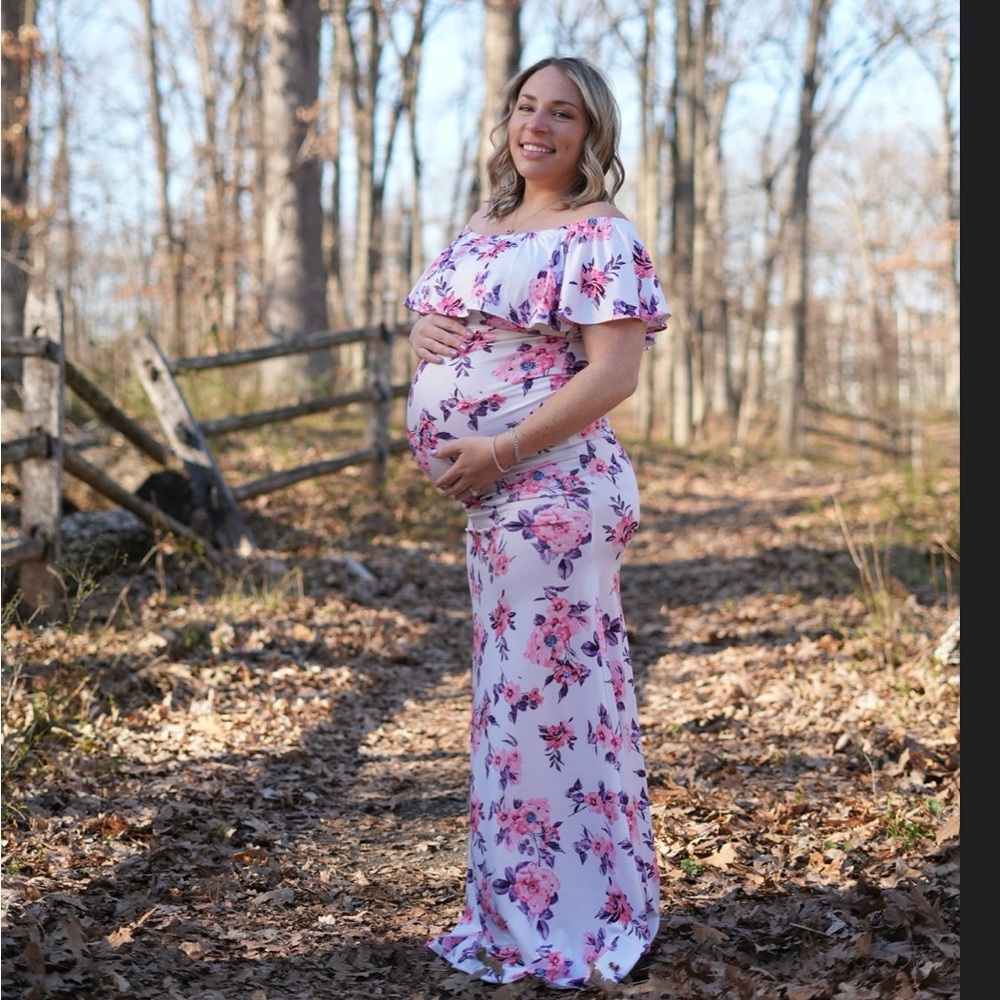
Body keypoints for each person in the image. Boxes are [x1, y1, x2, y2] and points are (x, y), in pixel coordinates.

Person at [404, 55, 670, 990]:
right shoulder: (483, 226)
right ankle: (533, 900)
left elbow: (613, 375)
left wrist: (503, 449)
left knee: (547, 708)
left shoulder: (599, 234)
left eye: (562, 114)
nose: (538, 126)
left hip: (555, 494)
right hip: (497, 506)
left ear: (590, 135)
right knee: (515, 708)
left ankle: (565, 915)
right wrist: (419, 334)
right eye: (526, 107)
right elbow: (456, 326)